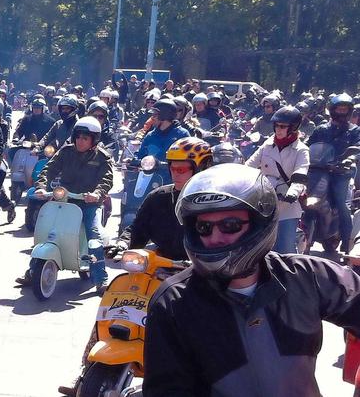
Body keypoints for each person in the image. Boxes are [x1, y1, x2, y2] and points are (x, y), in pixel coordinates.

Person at [143, 163, 360, 396]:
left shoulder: (306, 276)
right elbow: (166, 390)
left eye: (230, 225)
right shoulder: (174, 302)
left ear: (259, 222)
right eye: (204, 227)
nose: (215, 237)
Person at [56, 136, 214, 396]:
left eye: (182, 168)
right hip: (159, 265)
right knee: (116, 302)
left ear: (201, 168)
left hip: (201, 272)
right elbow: (136, 229)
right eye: (172, 168)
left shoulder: (214, 203)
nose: (176, 173)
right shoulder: (159, 197)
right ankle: (86, 372)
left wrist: (208, 261)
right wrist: (121, 243)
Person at [31, 116, 113, 292]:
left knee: (94, 236)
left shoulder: (102, 157)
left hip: (88, 202)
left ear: (94, 140)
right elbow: (48, 168)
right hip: (65, 198)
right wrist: (41, 186)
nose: (80, 141)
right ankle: (33, 269)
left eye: (85, 138)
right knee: (48, 230)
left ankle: (101, 279)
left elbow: (107, 179)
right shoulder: (66, 151)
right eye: (78, 137)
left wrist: (97, 194)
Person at [245, 105, 309, 254]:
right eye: (276, 126)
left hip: (287, 204)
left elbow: (301, 173)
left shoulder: (301, 150)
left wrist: (292, 193)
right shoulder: (267, 144)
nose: (278, 129)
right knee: (256, 247)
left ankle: (290, 276)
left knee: (285, 249)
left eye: (283, 126)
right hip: (263, 201)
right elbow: (249, 165)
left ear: (293, 128)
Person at [305, 93, 360, 254]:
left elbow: (358, 147)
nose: (342, 112)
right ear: (332, 110)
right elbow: (308, 145)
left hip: (341, 173)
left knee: (342, 204)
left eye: (345, 109)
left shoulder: (354, 131)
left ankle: (346, 242)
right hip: (320, 170)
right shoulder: (321, 128)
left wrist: (350, 158)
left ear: (349, 111)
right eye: (339, 108)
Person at [135, 98, 192, 166]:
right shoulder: (150, 135)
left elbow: (186, 161)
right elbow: (141, 156)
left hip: (171, 175)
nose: (152, 118)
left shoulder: (182, 135)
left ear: (164, 115)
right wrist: (134, 161)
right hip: (149, 175)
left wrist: (161, 164)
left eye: (155, 115)